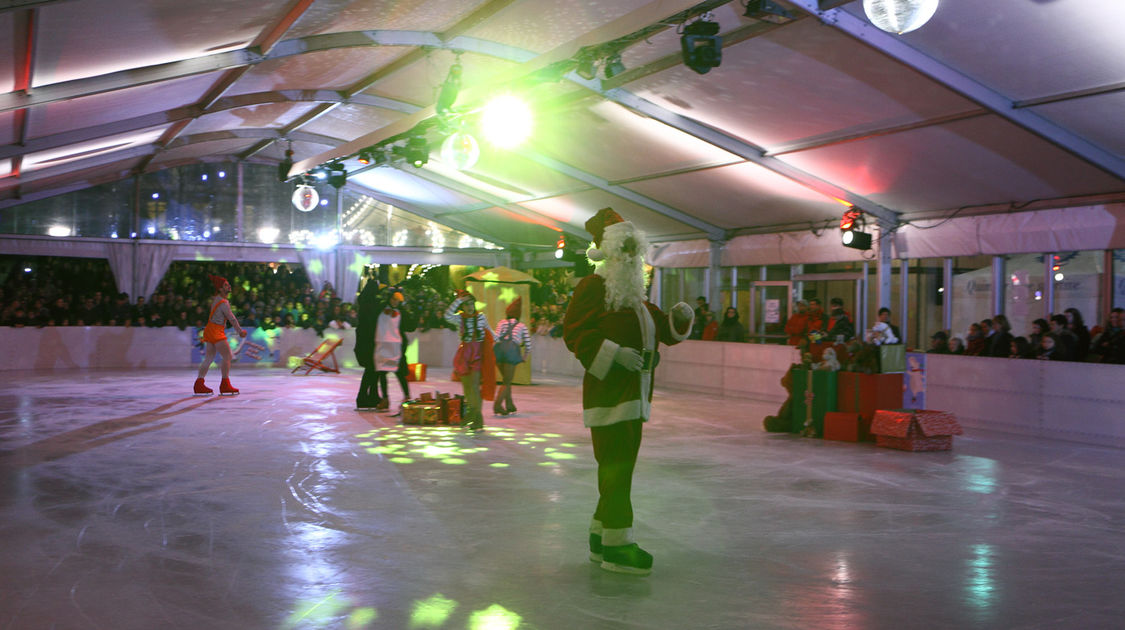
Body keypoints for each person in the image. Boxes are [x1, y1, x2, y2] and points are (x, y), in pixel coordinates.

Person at [562, 207, 694, 576]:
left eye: (636, 250)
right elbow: (573, 332)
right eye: (627, 249)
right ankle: (617, 547)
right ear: (607, 252)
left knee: (617, 470)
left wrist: (679, 319)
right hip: (609, 396)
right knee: (617, 471)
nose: (633, 257)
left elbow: (663, 331)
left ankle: (601, 535)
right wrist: (614, 354)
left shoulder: (634, 298)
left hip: (633, 395)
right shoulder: (593, 288)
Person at [445, 289, 494, 430]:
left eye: (472, 303)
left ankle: (473, 414)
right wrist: (459, 300)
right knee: (467, 387)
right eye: (466, 304)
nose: (470, 307)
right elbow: (447, 315)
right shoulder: (459, 318)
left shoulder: (481, 317)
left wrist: (498, 339)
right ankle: (477, 419)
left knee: (474, 387)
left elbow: (490, 331)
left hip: (477, 354)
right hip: (464, 355)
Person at [194, 274, 247, 395]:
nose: (229, 286)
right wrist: (240, 331)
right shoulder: (223, 302)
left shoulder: (217, 299)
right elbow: (231, 318)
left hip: (210, 329)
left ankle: (199, 384)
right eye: (225, 285)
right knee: (227, 356)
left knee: (209, 358)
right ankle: (225, 384)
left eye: (228, 284)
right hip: (216, 331)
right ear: (220, 289)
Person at [492, 297, 530, 416]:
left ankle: (509, 404)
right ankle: (497, 405)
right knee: (507, 381)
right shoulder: (522, 326)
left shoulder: (501, 323)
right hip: (511, 353)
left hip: (498, 352)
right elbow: (528, 345)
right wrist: (524, 357)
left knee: (505, 380)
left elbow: (496, 338)